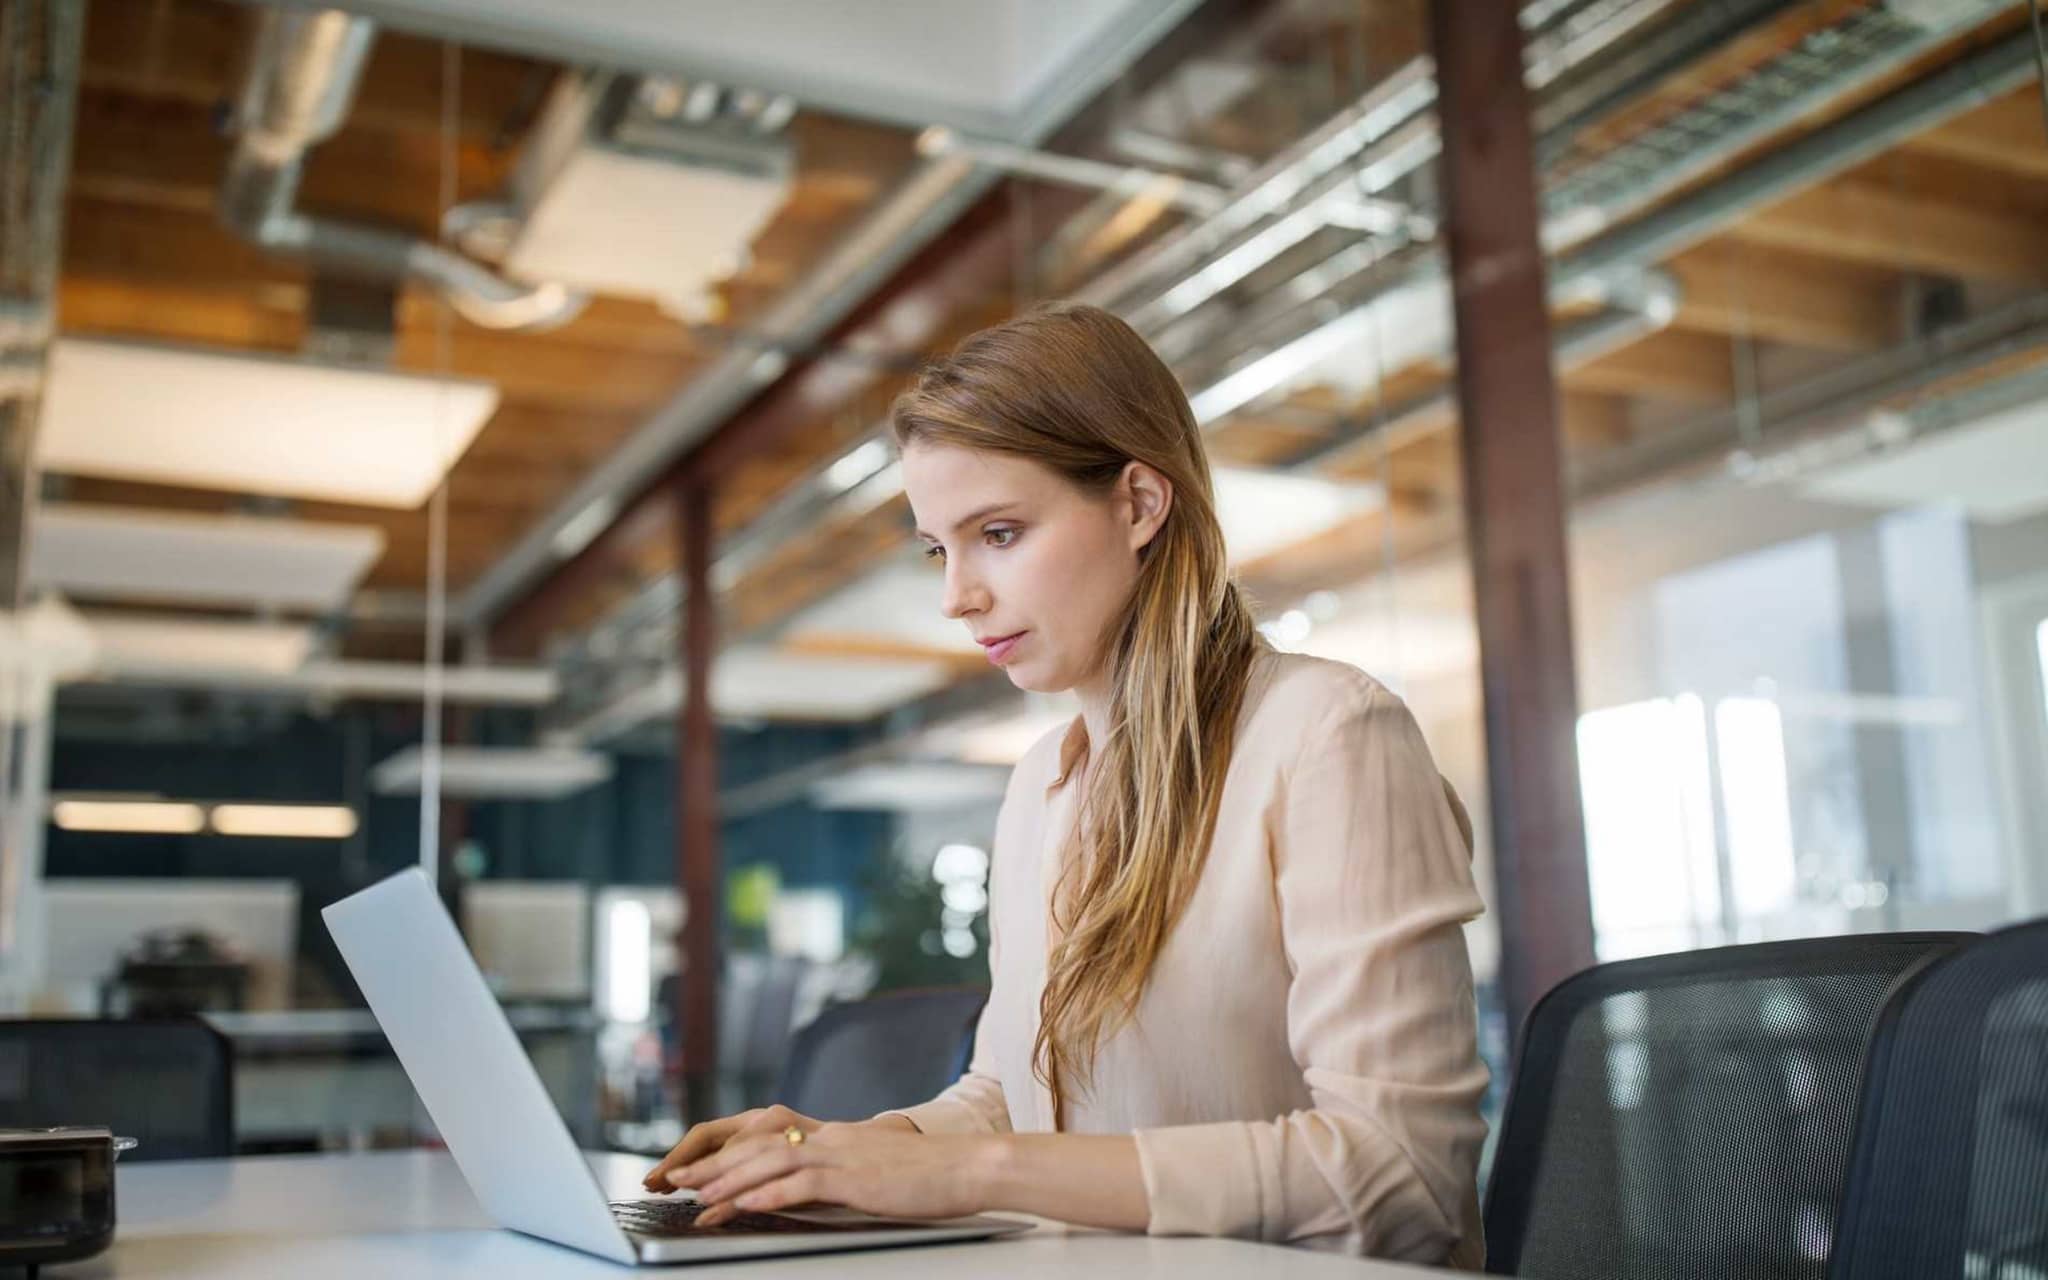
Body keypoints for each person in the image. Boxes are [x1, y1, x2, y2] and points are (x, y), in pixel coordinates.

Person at [643, 302, 1489, 1265]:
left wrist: (973, 1175)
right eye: (938, 548)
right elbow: (1007, 1094)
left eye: (997, 533)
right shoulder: (1044, 783)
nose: (957, 595)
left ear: (1138, 503)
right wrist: (836, 1153)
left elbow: (1401, 1176)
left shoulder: (1329, 736)